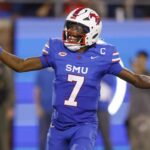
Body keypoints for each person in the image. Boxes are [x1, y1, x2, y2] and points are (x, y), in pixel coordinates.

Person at [1, 7, 150, 150]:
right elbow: (20, 65)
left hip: (84, 126)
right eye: (70, 26)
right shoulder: (56, 49)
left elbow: (136, 79)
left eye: (77, 28)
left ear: (92, 31)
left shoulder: (103, 55)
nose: (71, 31)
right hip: (58, 127)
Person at [126, 50, 150, 150]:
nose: (141, 61)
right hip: (133, 115)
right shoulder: (132, 77)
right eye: (139, 58)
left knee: (146, 144)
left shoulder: (148, 76)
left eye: (143, 59)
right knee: (134, 145)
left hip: (146, 115)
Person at [34, 68, 54, 150]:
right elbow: (37, 90)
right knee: (42, 136)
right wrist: (38, 107)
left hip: (58, 111)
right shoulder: (41, 73)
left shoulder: (60, 71)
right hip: (44, 110)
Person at [0, 61, 14, 150]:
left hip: (2, 107)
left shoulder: (5, 69)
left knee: (2, 135)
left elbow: (10, 90)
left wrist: (9, 107)